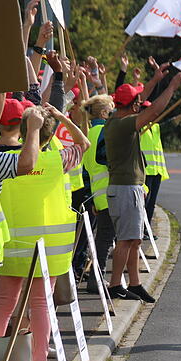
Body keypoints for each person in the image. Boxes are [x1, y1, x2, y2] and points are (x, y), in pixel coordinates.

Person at [0, 104, 88, 361]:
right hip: (47, 249)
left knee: (4, 302)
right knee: (41, 304)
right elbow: (84, 143)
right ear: (50, 135)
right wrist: (61, 116)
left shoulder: (1, 162)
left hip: (11, 244)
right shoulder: (58, 160)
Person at [102, 64, 181, 302]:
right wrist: (171, 86)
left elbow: (141, 98)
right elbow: (155, 109)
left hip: (129, 188)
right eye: (136, 102)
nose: (140, 103)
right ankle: (116, 284)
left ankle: (135, 283)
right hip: (126, 189)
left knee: (134, 239)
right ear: (131, 106)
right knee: (126, 240)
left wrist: (155, 79)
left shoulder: (115, 118)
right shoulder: (123, 124)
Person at [81, 94, 116, 293]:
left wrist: (91, 196)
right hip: (111, 191)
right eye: (111, 108)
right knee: (106, 240)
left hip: (98, 194)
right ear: (104, 112)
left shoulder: (88, 133)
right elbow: (110, 161)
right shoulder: (105, 131)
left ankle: (96, 278)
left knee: (103, 238)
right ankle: (96, 279)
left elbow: (86, 170)